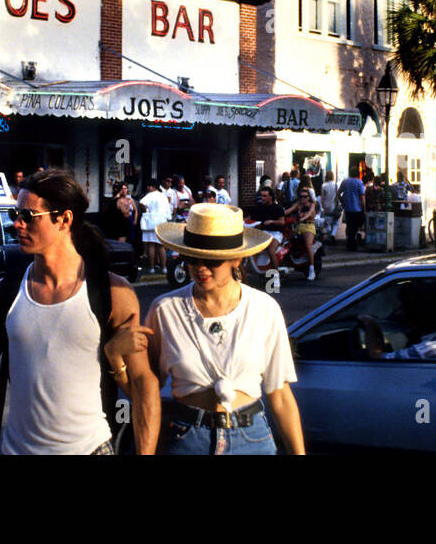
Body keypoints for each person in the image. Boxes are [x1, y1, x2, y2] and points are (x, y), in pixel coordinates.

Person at [0, 169, 159, 454]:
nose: (16, 224)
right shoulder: (3, 293)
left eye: (28, 216)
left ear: (64, 219)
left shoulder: (112, 293)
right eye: (16, 215)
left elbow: (142, 382)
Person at [108, 202, 304, 455]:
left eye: (212, 260)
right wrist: (115, 358)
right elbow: (145, 391)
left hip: (252, 439)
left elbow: (279, 393)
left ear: (236, 258)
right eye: (192, 258)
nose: (200, 267)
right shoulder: (165, 310)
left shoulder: (264, 309)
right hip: (186, 438)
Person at [360, 282, 436, 360]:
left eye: (402, 309)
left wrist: (370, 324)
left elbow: (377, 356)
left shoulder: (428, 349)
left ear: (413, 314)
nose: (398, 313)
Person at [286, 185, 319, 279]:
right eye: (301, 196)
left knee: (308, 244)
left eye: (305, 196)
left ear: (309, 197)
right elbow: (288, 211)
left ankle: (312, 269)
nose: (303, 198)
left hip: (308, 226)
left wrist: (303, 218)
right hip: (298, 226)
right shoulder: (298, 204)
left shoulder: (312, 204)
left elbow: (310, 213)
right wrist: (278, 214)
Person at [139, 178, 171, 273]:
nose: (148, 189)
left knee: (151, 245)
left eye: (148, 187)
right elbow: (168, 211)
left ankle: (152, 268)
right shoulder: (163, 196)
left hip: (150, 222)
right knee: (161, 246)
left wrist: (147, 210)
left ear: (151, 187)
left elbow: (141, 203)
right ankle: (164, 267)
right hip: (161, 222)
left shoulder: (149, 195)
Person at [339, 164, 366, 251]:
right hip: (357, 208)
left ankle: (349, 242)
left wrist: (342, 202)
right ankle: (353, 243)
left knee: (349, 225)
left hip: (348, 208)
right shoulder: (359, 182)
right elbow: (362, 196)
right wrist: (364, 208)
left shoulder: (345, 182)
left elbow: (339, 193)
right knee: (356, 226)